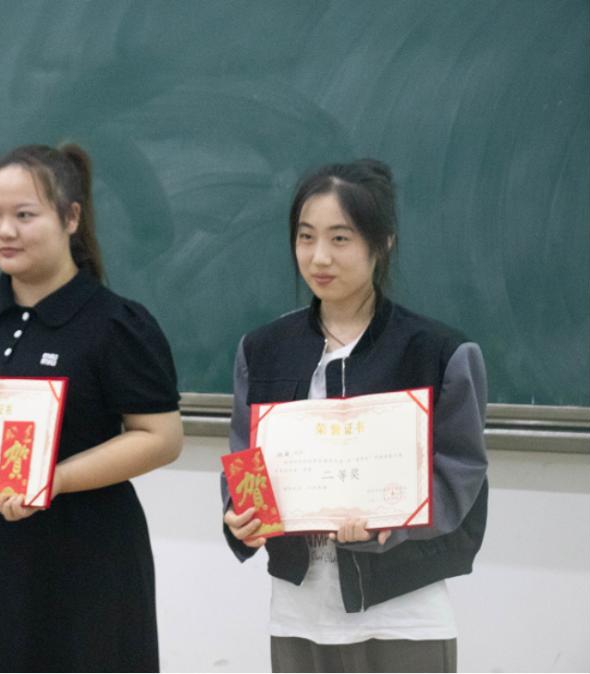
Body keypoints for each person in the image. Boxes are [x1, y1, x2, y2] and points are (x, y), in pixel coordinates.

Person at [0, 143, 184, 672]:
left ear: (71, 218)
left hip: (85, 558)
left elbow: (161, 438)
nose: (5, 231)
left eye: (25, 215)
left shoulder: (115, 322)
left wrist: (55, 478)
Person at [222, 159, 488, 673]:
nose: (319, 256)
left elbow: (461, 475)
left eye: (340, 238)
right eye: (306, 237)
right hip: (298, 611)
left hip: (401, 609)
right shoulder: (261, 350)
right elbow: (245, 461)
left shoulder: (437, 352)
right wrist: (242, 518)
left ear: (381, 243)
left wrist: (395, 520)